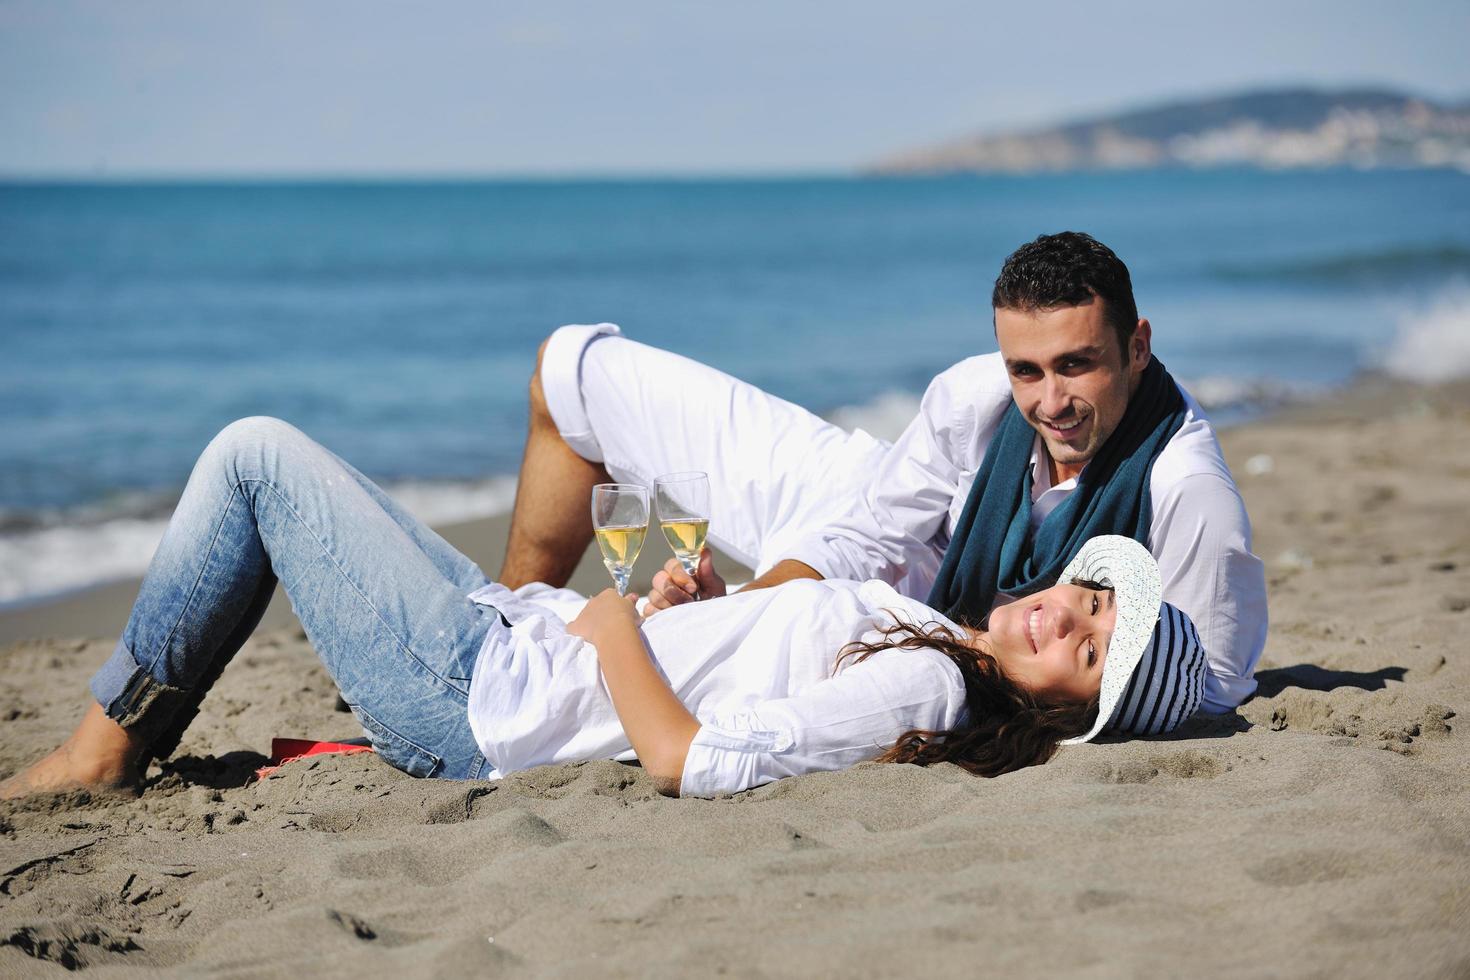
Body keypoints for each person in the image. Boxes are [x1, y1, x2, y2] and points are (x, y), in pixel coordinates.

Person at [0, 417, 1205, 801]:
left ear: (1071, 711)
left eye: (1090, 653)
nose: (1065, 618)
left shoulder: (938, 681)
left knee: (256, 455)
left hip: (479, 699)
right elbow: (739, 695)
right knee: (280, 470)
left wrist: (622, 628)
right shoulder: (936, 637)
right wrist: (693, 616)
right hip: (510, 640)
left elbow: (698, 762)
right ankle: (115, 733)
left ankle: (103, 747)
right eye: (1089, 600)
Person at [498, 232, 1267, 718]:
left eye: (1077, 365)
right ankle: (508, 623)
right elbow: (868, 528)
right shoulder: (976, 396)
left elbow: (1213, 683)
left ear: (1137, 347)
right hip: (861, 510)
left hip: (907, 624)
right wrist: (737, 608)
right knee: (571, 369)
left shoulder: (1185, 490)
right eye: (1027, 370)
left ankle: (519, 671)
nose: (1051, 401)